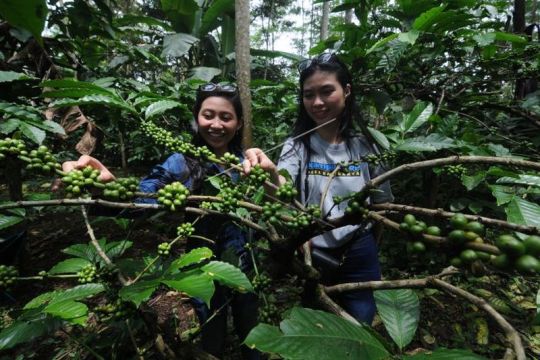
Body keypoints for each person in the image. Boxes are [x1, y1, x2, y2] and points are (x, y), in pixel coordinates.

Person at [59, 83, 260, 359]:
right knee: (211, 327)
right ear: (196, 118)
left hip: (245, 261)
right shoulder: (181, 163)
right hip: (201, 264)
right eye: (208, 115)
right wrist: (103, 189)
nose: (216, 124)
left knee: (251, 327)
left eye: (226, 117)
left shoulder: (246, 164)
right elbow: (141, 201)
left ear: (238, 123)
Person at [243, 53, 393, 325]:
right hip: (314, 249)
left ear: (346, 91)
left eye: (327, 92)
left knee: (360, 321)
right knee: (318, 323)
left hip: (359, 247)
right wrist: (271, 174)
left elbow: (382, 204)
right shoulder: (297, 146)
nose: (317, 102)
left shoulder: (367, 145)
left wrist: (371, 243)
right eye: (309, 95)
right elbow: (281, 193)